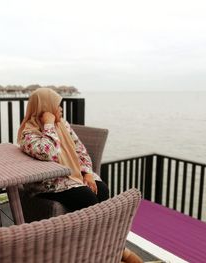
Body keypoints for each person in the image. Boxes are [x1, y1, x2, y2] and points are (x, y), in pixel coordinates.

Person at [17, 88, 142, 263]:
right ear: (44, 109)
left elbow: (80, 150)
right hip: (47, 183)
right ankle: (117, 250)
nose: (61, 110)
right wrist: (48, 125)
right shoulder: (28, 133)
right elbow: (48, 153)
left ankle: (97, 247)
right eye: (57, 106)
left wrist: (87, 174)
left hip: (70, 176)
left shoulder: (63, 125)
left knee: (102, 189)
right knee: (87, 197)